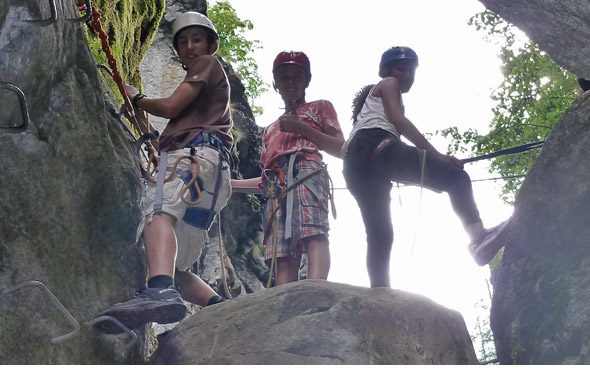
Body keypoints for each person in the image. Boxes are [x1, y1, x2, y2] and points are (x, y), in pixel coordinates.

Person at [95, 12, 232, 332]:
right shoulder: (207, 103)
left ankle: (157, 291)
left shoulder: (209, 64)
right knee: (175, 266)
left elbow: (170, 107)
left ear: (211, 44)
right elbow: (172, 125)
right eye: (182, 42)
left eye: (196, 39)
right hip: (210, 177)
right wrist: (146, 127)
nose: (189, 47)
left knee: (158, 215)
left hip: (194, 158)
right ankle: (219, 308)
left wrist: (137, 97)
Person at [342, 46, 508, 288]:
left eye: (411, 71)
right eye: (402, 68)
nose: (407, 74)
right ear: (387, 70)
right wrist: (437, 155)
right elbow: (398, 119)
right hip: (379, 145)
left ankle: (379, 292)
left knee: (381, 235)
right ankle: (477, 236)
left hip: (356, 166)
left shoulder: (360, 122)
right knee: (455, 178)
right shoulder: (389, 84)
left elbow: (346, 151)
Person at [231, 51, 344, 286]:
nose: (290, 81)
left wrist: (301, 128)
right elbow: (264, 181)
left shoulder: (320, 107)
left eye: (297, 76)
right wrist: (230, 185)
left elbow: (341, 148)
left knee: (313, 232)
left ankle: (315, 288)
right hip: (275, 184)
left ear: (307, 81)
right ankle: (284, 300)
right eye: (284, 76)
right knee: (281, 251)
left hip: (306, 169)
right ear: (276, 83)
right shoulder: (271, 130)